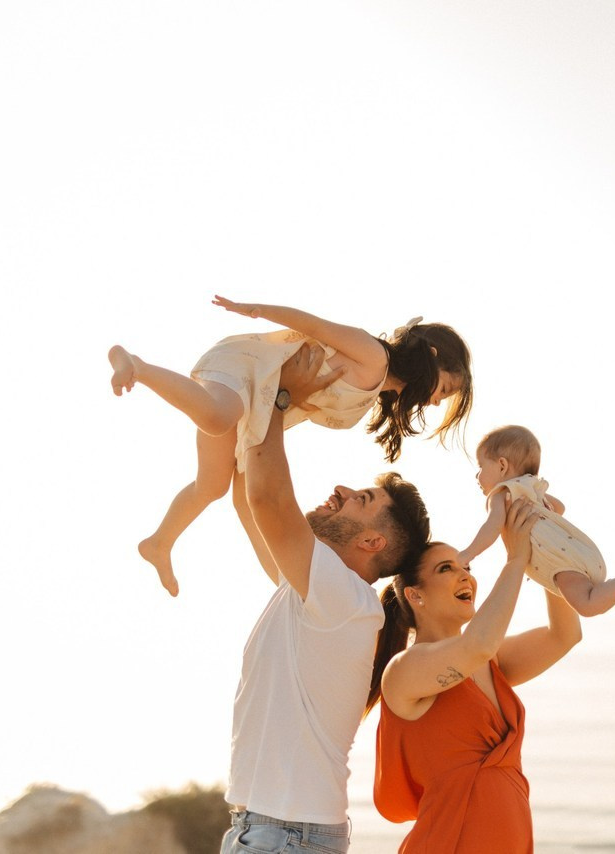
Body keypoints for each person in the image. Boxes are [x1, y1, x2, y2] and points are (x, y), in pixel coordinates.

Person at [107, 296, 471, 596]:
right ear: (433, 357)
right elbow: (314, 325)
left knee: (215, 485)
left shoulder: (374, 391)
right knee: (217, 418)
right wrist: (257, 310)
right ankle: (137, 367)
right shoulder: (374, 356)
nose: (438, 401)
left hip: (263, 402)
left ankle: (159, 543)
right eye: (445, 389)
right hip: (250, 369)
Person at [221, 344, 433, 854]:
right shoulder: (312, 591)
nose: (340, 489)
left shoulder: (345, 601)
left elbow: (269, 500)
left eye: (361, 500)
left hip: (285, 836)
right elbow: (246, 490)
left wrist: (283, 398)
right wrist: (259, 400)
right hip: (273, 832)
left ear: (372, 544)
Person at [371, 496, 582, 853]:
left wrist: (546, 543)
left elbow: (565, 635)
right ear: (415, 596)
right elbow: (478, 644)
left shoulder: (490, 662)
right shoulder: (405, 670)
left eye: (465, 567)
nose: (464, 574)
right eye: (446, 569)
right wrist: (515, 559)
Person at [456, 425, 615, 616]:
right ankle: (613, 591)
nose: (477, 475)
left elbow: (492, 525)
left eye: (481, 466)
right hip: (581, 552)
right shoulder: (532, 488)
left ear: (502, 465)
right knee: (588, 597)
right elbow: (559, 507)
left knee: (585, 606)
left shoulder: (501, 494)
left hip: (561, 561)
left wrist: (469, 553)